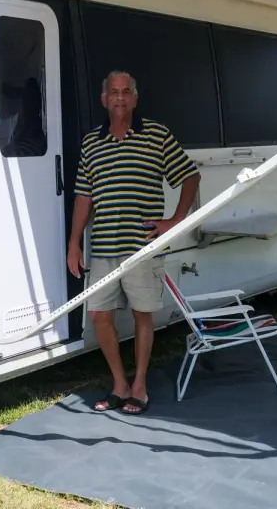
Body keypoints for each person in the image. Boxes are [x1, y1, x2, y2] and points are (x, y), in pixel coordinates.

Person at [67, 70, 200, 415]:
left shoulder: (156, 134)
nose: (120, 98)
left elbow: (189, 175)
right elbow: (84, 196)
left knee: (144, 315)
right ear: (104, 100)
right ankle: (119, 384)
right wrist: (74, 243)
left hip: (143, 244)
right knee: (98, 314)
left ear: (135, 99)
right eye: (114, 92)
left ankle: (139, 386)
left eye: (126, 92)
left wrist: (175, 220)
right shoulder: (91, 142)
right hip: (104, 247)